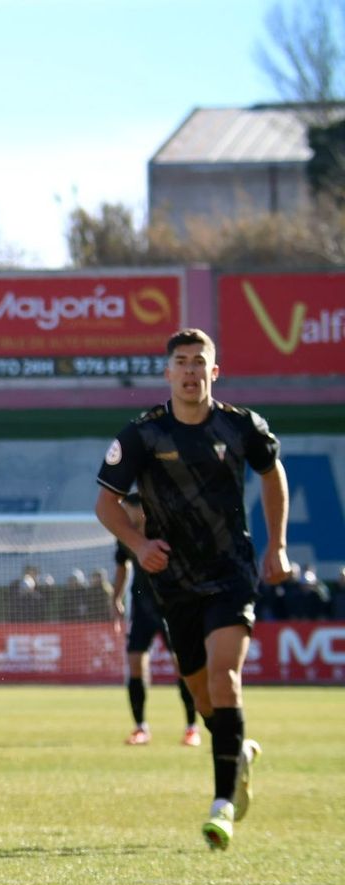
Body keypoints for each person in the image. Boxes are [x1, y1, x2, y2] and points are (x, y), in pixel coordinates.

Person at [96, 327, 289, 851]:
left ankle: (222, 804)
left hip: (231, 573)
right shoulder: (142, 434)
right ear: (167, 372)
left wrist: (278, 545)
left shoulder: (241, 425)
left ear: (214, 372)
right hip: (173, 583)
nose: (189, 370)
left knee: (225, 679)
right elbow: (106, 504)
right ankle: (237, 749)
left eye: (199, 362)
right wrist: (137, 544)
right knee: (202, 694)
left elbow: (273, 474)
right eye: (180, 362)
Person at [111, 493, 198, 747]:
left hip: (171, 607)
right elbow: (122, 566)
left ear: (141, 510)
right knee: (135, 662)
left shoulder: (162, 529)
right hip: (142, 608)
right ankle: (140, 728)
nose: (125, 513)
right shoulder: (126, 536)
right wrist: (116, 598)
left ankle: (192, 727)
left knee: (182, 665)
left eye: (128, 508)